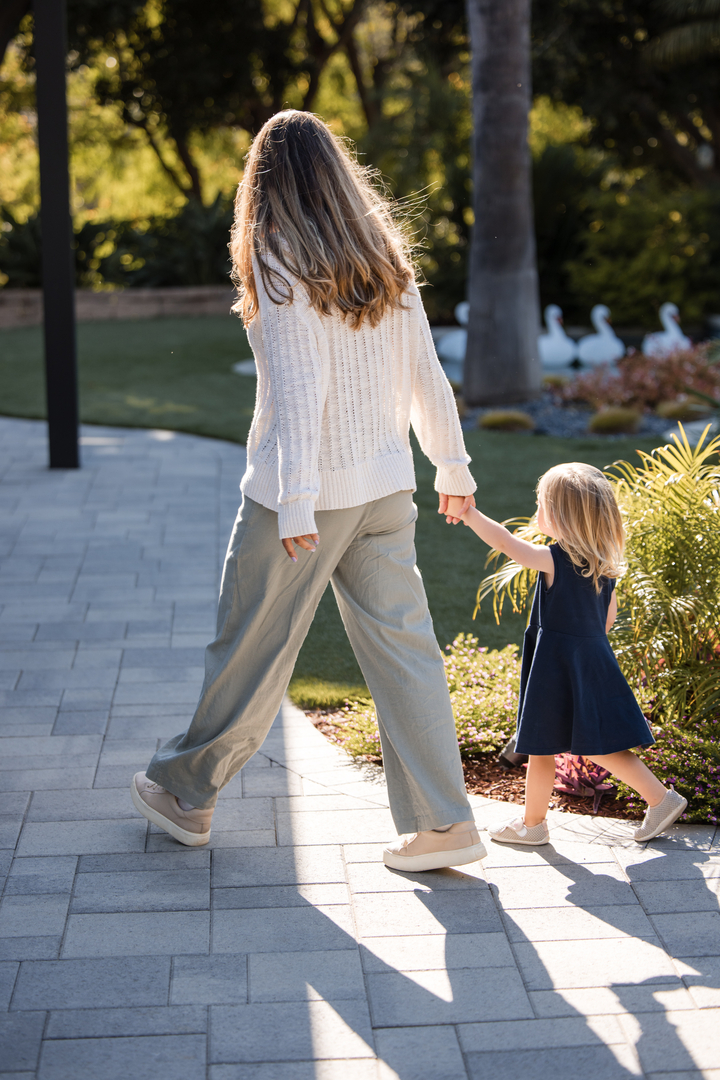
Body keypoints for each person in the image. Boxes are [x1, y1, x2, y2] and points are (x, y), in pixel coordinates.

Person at [130, 109, 487, 873]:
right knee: (407, 652)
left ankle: (187, 795)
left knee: (249, 646)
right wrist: (451, 468)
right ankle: (443, 824)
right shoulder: (382, 251)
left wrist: (295, 499)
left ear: (264, 179)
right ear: (336, 171)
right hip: (387, 491)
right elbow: (426, 368)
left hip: (304, 499)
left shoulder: (276, 252)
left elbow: (299, 383)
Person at [445, 462, 687, 845]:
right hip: (588, 665)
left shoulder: (555, 560)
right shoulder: (605, 571)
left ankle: (542, 824)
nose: (537, 510)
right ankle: (650, 800)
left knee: (544, 745)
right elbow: (605, 625)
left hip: (555, 668)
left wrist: (469, 512)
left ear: (561, 516)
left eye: (541, 504)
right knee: (587, 747)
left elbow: (507, 542)